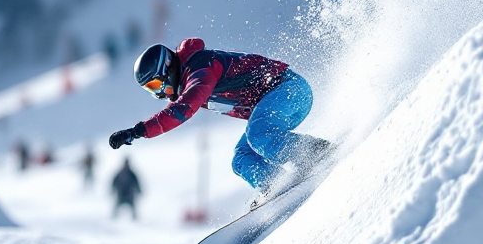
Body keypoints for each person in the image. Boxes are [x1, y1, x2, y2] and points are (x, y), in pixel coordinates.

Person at [108, 39, 331, 207]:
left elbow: (183, 109)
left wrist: (137, 131)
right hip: (277, 106)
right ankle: (277, 185)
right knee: (241, 159)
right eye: (151, 90)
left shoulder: (200, 68)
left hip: (290, 90)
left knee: (258, 135)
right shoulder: (190, 76)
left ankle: (315, 153)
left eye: (157, 84)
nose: (160, 94)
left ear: (167, 67)